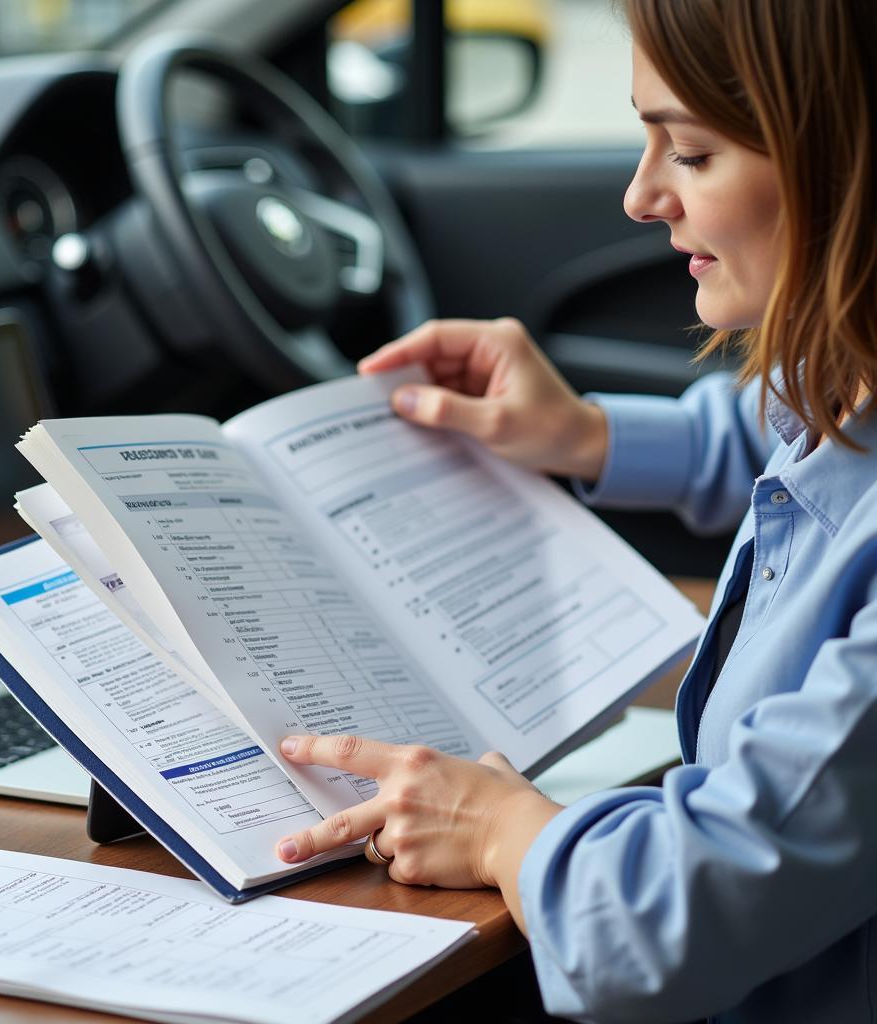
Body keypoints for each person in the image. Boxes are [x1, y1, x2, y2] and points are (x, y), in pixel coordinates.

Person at [274, 0, 877, 1020]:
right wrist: (581, 433)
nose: (642, 196)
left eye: (688, 153)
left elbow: (661, 920)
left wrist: (504, 827)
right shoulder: (846, 379)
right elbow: (775, 431)